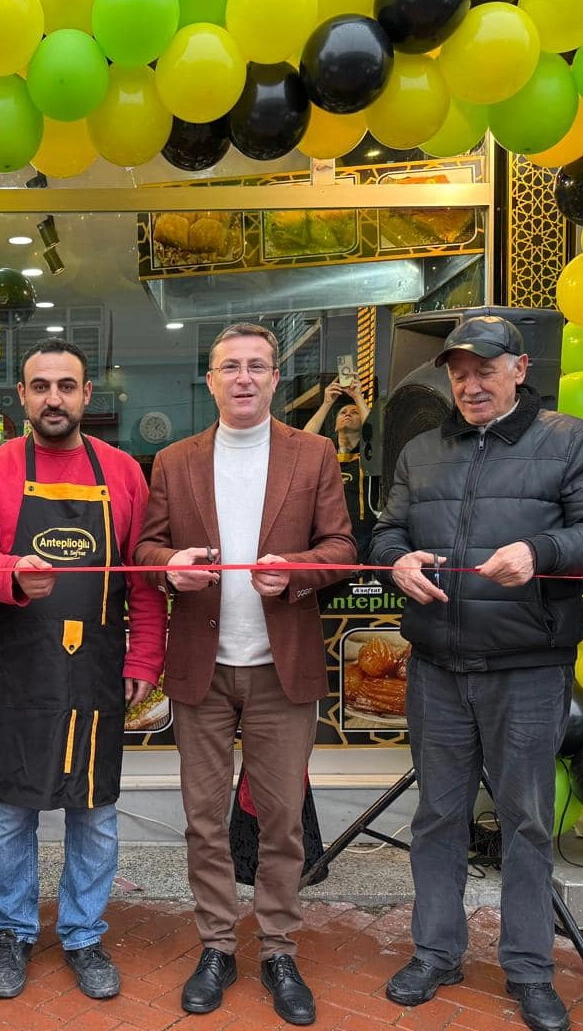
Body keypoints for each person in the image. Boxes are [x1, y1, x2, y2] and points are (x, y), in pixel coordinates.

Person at [370, 316, 583, 1031]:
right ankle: (436, 952)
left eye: (485, 369)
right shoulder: (421, 449)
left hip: (528, 669)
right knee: (437, 818)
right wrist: (395, 561)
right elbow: (387, 532)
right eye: (459, 372)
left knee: (526, 822)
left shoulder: (569, 439)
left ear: (519, 368)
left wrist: (541, 552)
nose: (471, 384)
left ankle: (528, 968)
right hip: (437, 666)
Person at [135, 323, 356, 1026]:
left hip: (279, 667)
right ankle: (217, 947)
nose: (244, 377)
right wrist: (169, 568)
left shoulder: (314, 453)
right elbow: (147, 547)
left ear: (274, 379)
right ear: (210, 380)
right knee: (204, 822)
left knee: (282, 822)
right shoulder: (174, 460)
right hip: (201, 669)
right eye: (230, 366)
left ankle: (280, 950)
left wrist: (296, 572)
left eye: (257, 366)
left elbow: (342, 547)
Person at [0, 338, 165, 1003]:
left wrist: (145, 655)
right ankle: (12, 932)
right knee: (9, 810)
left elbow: (142, 579)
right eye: (40, 386)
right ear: (21, 395)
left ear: (86, 395)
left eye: (66, 386)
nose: (53, 398)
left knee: (94, 811)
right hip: (15, 665)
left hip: (97, 665)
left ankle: (83, 934)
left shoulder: (124, 473)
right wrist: (12, 572)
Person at [304, 379, 378, 556]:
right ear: (335, 426)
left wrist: (357, 396)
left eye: (355, 412)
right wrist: (327, 403)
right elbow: (304, 442)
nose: (348, 414)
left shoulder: (370, 455)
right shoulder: (326, 453)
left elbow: (376, 435)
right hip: (328, 531)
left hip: (365, 534)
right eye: (343, 412)